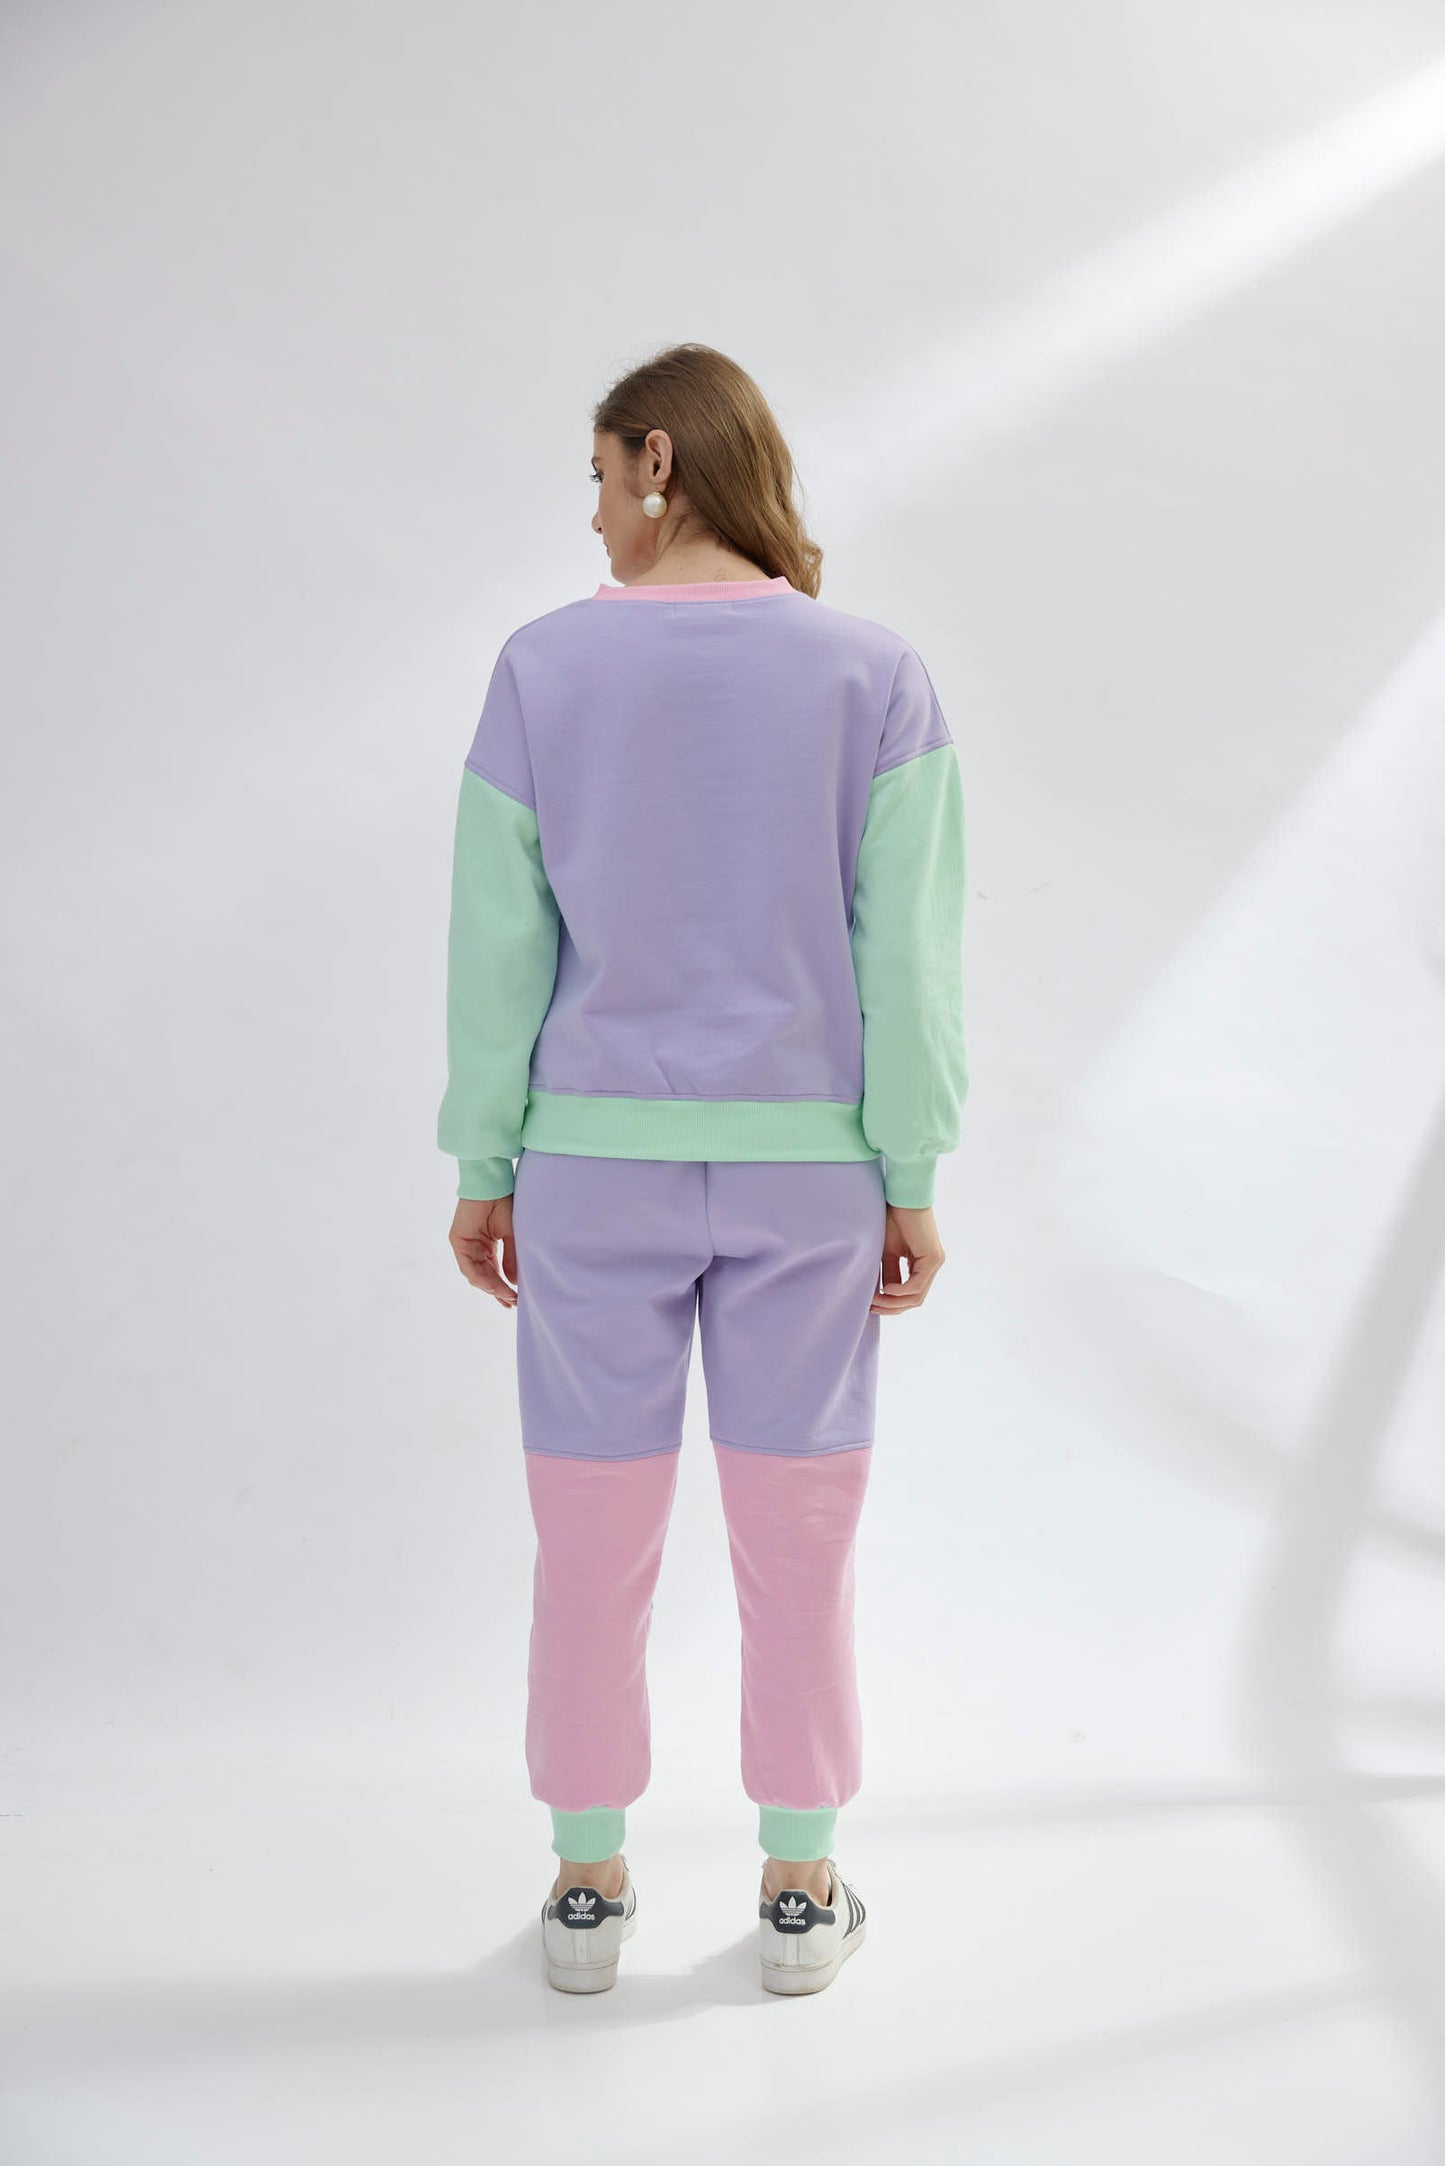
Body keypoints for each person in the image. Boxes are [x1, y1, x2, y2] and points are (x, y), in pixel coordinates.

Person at [437, 342, 967, 1995]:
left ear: (657, 461)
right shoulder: (873, 674)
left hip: (588, 1168)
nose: (595, 516)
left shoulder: (541, 669)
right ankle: (799, 1887)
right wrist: (908, 1170)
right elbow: (909, 963)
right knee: (797, 1530)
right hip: (810, 1179)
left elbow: (497, 949)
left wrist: (483, 1155)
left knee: (589, 1533)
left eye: (601, 479)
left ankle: (586, 1888)